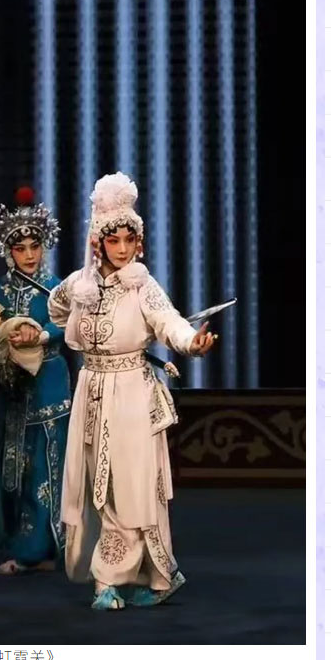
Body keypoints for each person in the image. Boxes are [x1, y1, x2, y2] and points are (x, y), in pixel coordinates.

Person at [47, 172, 216, 610]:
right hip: (92, 390)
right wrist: (74, 301)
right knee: (97, 482)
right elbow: (56, 307)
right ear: (98, 242)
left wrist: (191, 342)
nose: (122, 249)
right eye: (113, 240)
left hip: (132, 395)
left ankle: (111, 579)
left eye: (129, 240)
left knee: (132, 486)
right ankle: (142, 578)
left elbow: (170, 321)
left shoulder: (142, 285)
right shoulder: (79, 285)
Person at [0, 187, 71, 575]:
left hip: (50, 386)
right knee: (15, 470)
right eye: (20, 247)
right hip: (14, 392)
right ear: (7, 251)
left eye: (35, 246)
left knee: (47, 468)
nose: (29, 254)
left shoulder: (59, 290)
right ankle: (21, 542)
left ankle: (39, 550)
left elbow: (70, 324)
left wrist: (40, 334)